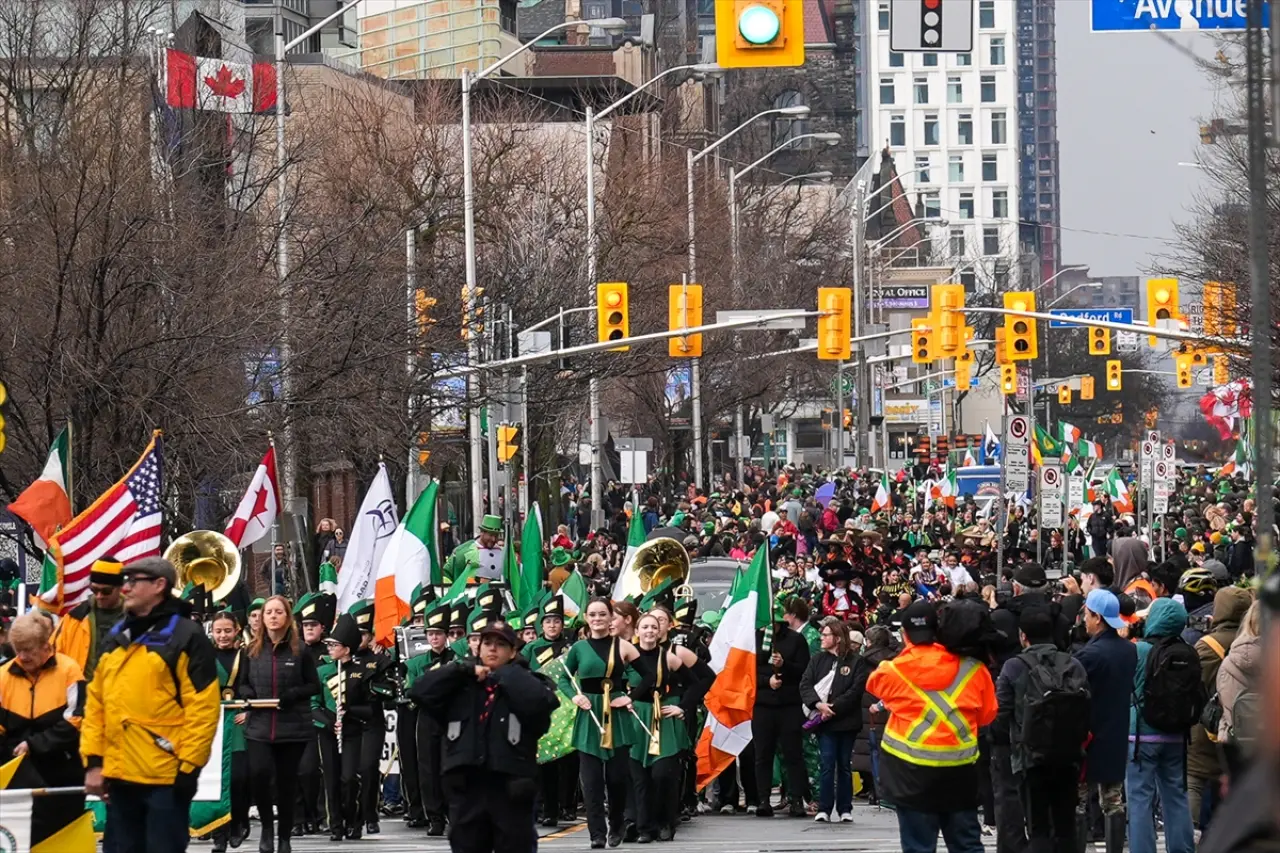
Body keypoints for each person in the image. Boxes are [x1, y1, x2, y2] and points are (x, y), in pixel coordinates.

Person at [81, 556, 221, 853]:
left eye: (133, 582)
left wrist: (188, 769)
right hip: (120, 778)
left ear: (159, 585)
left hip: (165, 778)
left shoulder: (186, 636)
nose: (125, 589)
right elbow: (96, 705)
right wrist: (93, 762)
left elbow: (204, 709)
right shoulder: (118, 636)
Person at [410, 618, 559, 853]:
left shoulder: (525, 682)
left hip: (510, 788)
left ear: (512, 652)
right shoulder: (462, 685)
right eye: (487, 643)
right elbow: (419, 692)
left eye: (500, 645)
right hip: (468, 787)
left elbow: (542, 704)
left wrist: (505, 673)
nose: (492, 648)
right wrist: (462, 670)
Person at [866, 599, 997, 853]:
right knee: (967, 845)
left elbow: (874, 685)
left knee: (919, 847)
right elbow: (987, 716)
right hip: (960, 775)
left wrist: (908, 654)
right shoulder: (974, 669)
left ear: (904, 635)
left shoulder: (893, 671)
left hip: (910, 776)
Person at [995, 606, 1090, 853]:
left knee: (1038, 828)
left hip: (1029, 758)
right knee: (1065, 826)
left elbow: (1001, 712)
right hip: (1069, 756)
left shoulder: (1014, 667)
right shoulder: (1074, 665)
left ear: (1022, 635)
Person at [237, 594, 321, 853]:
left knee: (286, 783)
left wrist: (292, 695)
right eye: (268, 612)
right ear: (261, 618)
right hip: (260, 726)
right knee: (260, 776)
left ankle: (284, 836)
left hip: (292, 727)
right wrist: (249, 696)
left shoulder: (301, 651)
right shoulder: (250, 651)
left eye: (278, 612)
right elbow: (242, 684)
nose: (273, 616)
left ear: (287, 617)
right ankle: (266, 829)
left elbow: (313, 685)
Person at [556, 598, 639, 848]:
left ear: (610, 616)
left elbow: (644, 675)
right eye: (592, 614)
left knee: (616, 779)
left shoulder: (622, 646)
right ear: (586, 617)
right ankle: (596, 834)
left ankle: (617, 826)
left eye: (602, 614)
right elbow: (563, 679)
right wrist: (575, 696)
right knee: (591, 783)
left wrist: (628, 696)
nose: (597, 619)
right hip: (589, 715)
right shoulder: (578, 648)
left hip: (617, 717)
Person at [0, 612, 87, 846]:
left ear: (45, 645)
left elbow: (76, 720)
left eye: (28, 649)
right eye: (18, 649)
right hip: (16, 777)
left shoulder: (70, 671)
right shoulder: (3, 675)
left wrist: (34, 744)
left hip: (62, 771)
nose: (22, 656)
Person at [1125, 596, 1196, 853]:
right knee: (1176, 796)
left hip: (1141, 736)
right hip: (1176, 734)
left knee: (1140, 798)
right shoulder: (1188, 651)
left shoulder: (1138, 650)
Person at [1073, 589, 1137, 853]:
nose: (1084, 620)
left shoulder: (1088, 656)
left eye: (1087, 615)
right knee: (1113, 800)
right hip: (1117, 734)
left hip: (1087, 736)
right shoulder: (1129, 651)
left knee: (1077, 801)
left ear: (1097, 617)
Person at [1187, 585, 1252, 831]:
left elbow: (1194, 685)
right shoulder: (1256, 643)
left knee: (1195, 782)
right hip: (1245, 728)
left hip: (1206, 728)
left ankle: (1190, 837)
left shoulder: (1205, 645)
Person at [799, 615, 866, 823]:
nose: (821, 638)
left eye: (826, 634)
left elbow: (855, 691)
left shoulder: (856, 661)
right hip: (824, 723)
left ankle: (845, 808)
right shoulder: (817, 659)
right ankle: (824, 807)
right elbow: (805, 684)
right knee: (827, 763)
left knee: (844, 765)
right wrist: (818, 705)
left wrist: (833, 708)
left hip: (846, 721)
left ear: (837, 637)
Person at [754, 596, 810, 818]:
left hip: (789, 704)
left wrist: (784, 666)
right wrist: (766, 681)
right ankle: (763, 798)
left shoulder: (795, 640)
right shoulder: (756, 640)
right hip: (763, 705)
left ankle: (796, 798)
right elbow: (747, 672)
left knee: (793, 753)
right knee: (763, 754)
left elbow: (805, 670)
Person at [53, 555, 125, 680]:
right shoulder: (74, 618)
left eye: (106, 591)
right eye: (94, 590)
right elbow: (52, 656)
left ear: (120, 588)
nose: (99, 596)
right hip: (82, 693)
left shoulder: (138, 618)